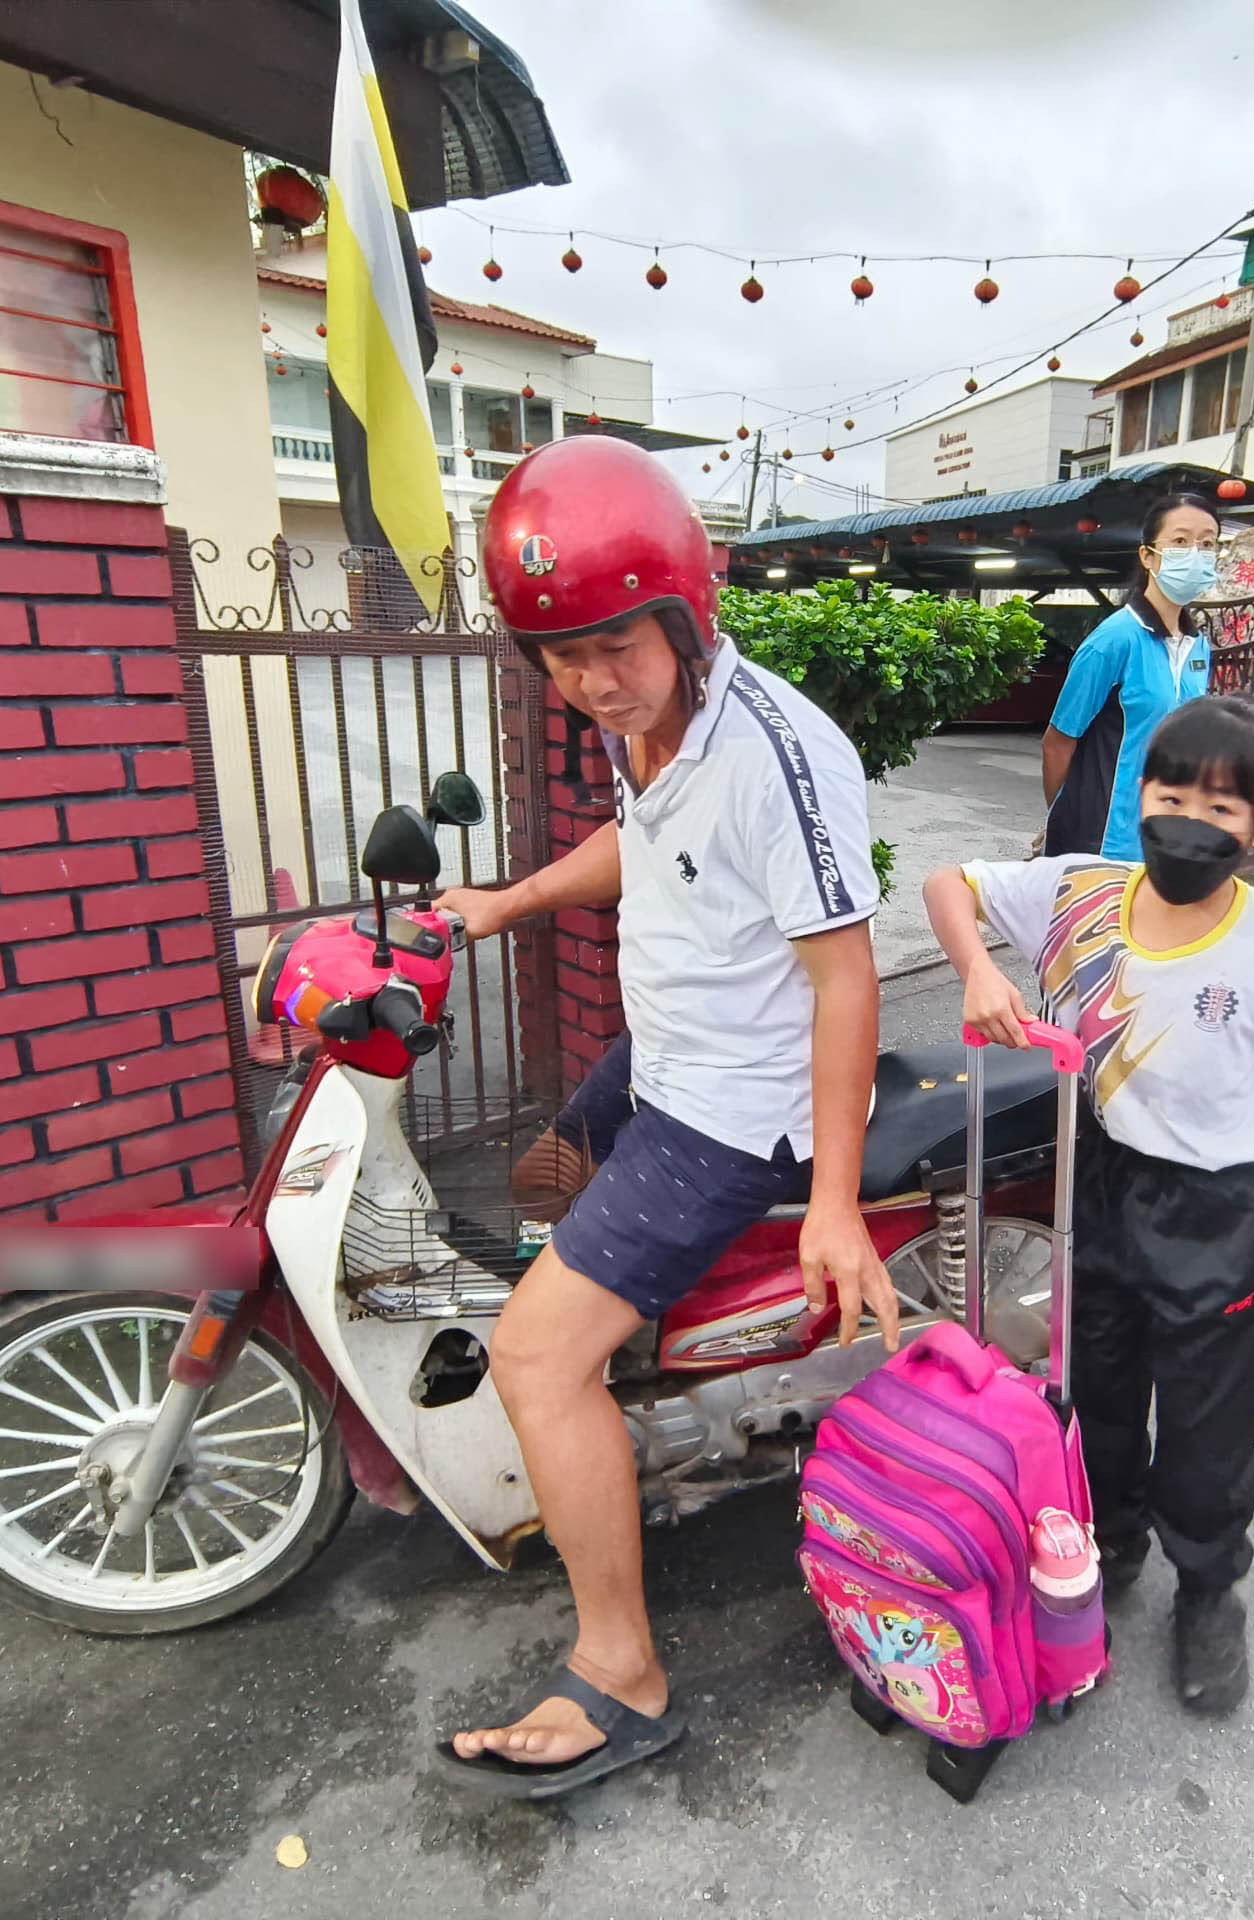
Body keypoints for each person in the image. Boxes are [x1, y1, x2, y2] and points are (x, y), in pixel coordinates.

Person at [429, 437, 901, 1798]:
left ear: (686, 615)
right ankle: (630, 1411)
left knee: (531, 1359)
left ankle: (622, 1672)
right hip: (659, 1058)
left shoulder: (779, 754)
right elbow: (638, 850)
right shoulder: (652, 726)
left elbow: (846, 974)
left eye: (614, 646)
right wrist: (502, 904)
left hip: (734, 1109)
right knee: (538, 1183)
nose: (589, 681)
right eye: (559, 656)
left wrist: (827, 1199)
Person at [924, 694, 1254, 1718]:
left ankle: (1210, 1586)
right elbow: (944, 881)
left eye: (1221, 809)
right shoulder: (1076, 893)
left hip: (1217, 1205)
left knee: (1210, 1416)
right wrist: (973, 972)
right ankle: (1111, 1536)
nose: (1189, 821)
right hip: (1098, 1181)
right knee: (1098, 1382)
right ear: (1139, 797)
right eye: (1170, 794)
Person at [1041, 491, 1221, 859]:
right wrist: (1061, 816)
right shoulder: (1113, 640)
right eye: (1181, 541)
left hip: (1164, 842)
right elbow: (1058, 742)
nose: (1195, 554)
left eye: (1207, 544)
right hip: (1101, 842)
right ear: (1147, 556)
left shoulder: (1198, 646)